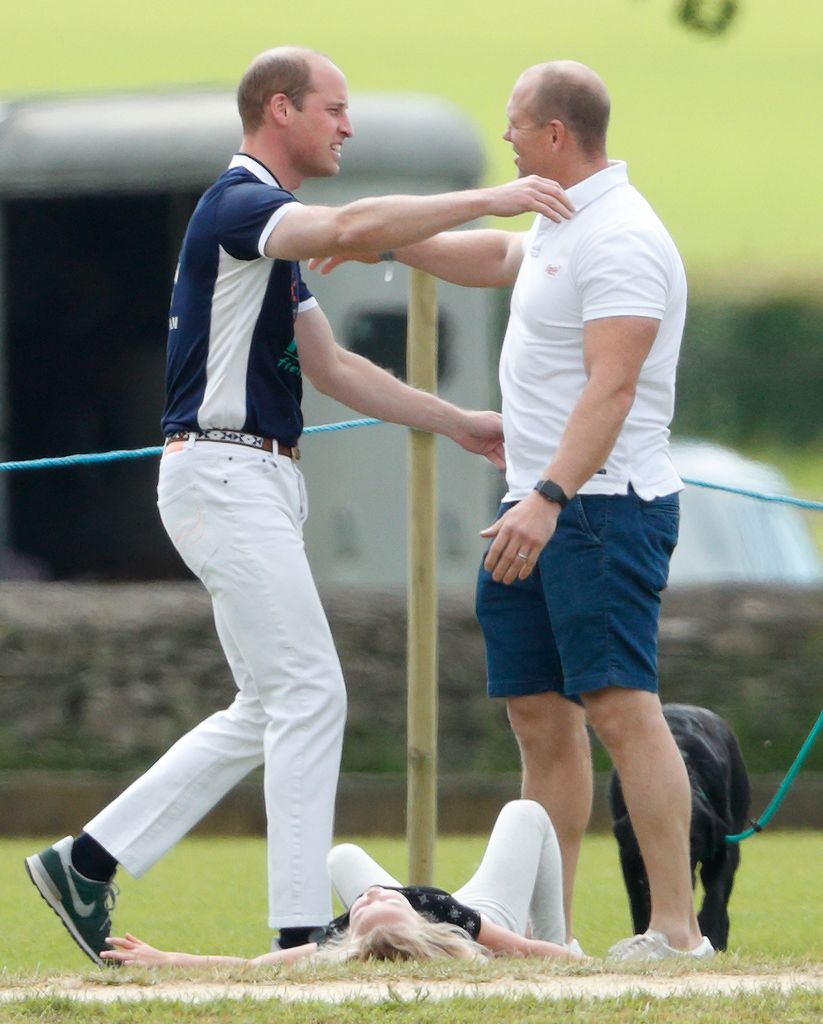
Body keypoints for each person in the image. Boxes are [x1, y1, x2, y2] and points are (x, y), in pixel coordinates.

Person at [23, 47, 575, 968]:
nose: (347, 126)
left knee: (266, 705)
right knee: (311, 692)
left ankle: (86, 859)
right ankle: (293, 931)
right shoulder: (242, 204)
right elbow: (356, 226)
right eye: (333, 108)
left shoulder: (265, 236)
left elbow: (332, 368)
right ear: (279, 110)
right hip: (225, 475)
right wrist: (488, 198)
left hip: (249, 479)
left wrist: (457, 422)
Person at [312, 60, 713, 962]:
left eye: (514, 124)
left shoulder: (623, 239)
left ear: (555, 135)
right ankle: (547, 930)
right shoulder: (560, 221)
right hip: (534, 504)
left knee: (619, 705)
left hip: (598, 508)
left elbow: (611, 392)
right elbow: (495, 256)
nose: (505, 138)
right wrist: (388, 242)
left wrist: (546, 496)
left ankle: (675, 930)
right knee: (538, 716)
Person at [100, 801, 579, 967]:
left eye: (361, 905)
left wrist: (168, 959)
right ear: (418, 916)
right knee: (524, 814)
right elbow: (521, 947)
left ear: (349, 931)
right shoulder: (444, 915)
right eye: (379, 899)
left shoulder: (342, 937)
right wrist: (571, 961)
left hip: (406, 935)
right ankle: (564, 936)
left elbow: (252, 965)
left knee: (342, 856)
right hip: (488, 914)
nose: (370, 894)